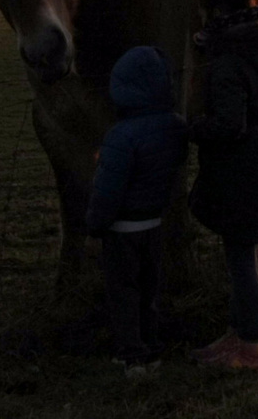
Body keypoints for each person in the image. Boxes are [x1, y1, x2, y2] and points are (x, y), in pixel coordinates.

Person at [186, 0, 258, 372]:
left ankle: (250, 345)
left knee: (241, 256)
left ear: (216, 13)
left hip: (240, 162)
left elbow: (229, 125)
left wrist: (190, 128)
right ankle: (239, 333)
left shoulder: (227, 61)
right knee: (239, 253)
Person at [86, 45, 188, 376]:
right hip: (154, 223)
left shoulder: (119, 137)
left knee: (124, 292)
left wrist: (95, 224)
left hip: (122, 231)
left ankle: (131, 355)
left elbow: (108, 191)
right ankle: (152, 347)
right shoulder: (173, 126)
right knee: (148, 290)